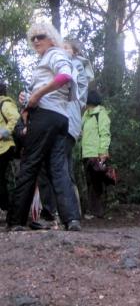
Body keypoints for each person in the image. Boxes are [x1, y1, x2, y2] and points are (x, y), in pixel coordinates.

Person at [6, 22, 81, 232]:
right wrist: (28, 96)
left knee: (30, 164)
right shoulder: (47, 59)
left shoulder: (54, 54)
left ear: (51, 38)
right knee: (58, 169)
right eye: (33, 38)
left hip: (47, 116)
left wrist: (37, 95)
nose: (36, 41)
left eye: (40, 36)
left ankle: (16, 221)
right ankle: (71, 219)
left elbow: (65, 76)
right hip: (60, 118)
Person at [34, 38, 94, 229]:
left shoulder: (73, 67)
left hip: (65, 122)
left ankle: (60, 215)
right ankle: (68, 215)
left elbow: (75, 96)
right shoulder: (60, 64)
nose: (62, 49)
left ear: (75, 52)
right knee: (62, 168)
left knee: (57, 168)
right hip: (63, 122)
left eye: (66, 47)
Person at [80, 90, 111, 219]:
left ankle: (97, 211)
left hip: (97, 154)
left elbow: (105, 134)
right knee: (89, 182)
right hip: (86, 154)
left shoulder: (101, 114)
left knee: (96, 183)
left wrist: (103, 152)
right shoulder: (86, 115)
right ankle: (92, 210)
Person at [0, 83, 20, 215]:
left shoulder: (5, 104)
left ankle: (8, 208)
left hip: (6, 147)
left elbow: (15, 118)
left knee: (3, 179)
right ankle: (6, 206)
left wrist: (3, 133)